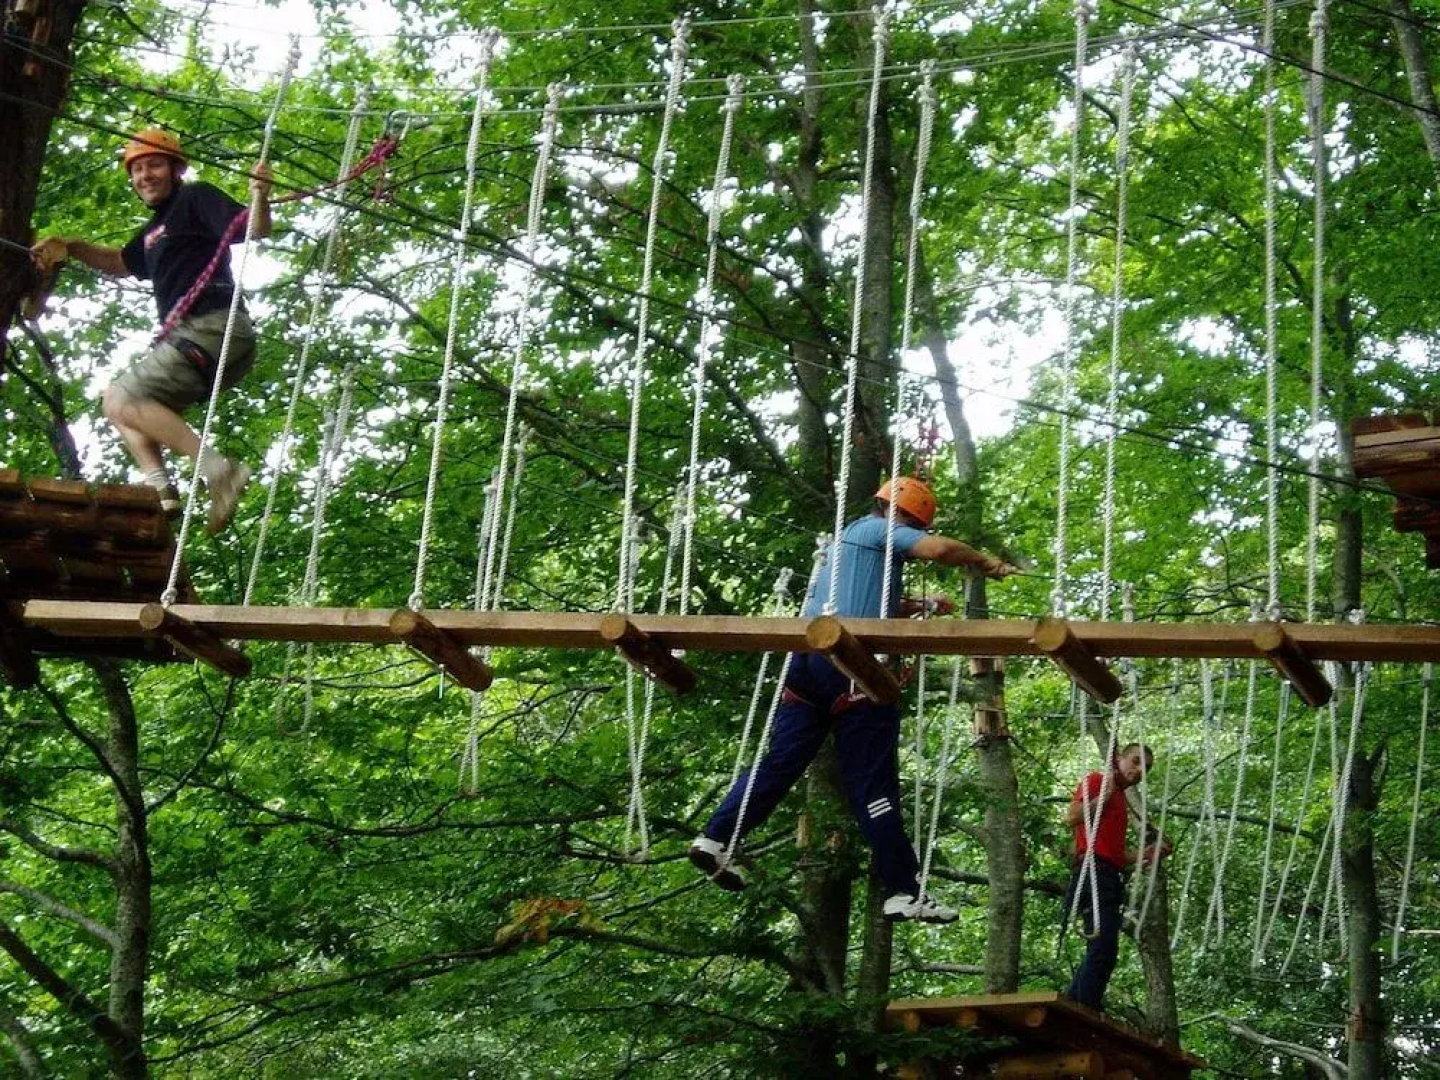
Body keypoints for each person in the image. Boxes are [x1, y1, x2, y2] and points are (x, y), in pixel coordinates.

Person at [688, 477, 1017, 923]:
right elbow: (938, 551)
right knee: (872, 788)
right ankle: (903, 890)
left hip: (807, 668)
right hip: (847, 669)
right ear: (906, 518)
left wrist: (919, 604)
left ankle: (717, 837)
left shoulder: (848, 550)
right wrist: (984, 562)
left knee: (779, 765)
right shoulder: (875, 530)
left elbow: (870, 604)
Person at [30, 128, 271, 533]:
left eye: (154, 165)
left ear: (176, 169)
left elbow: (254, 229)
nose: (145, 176)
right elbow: (120, 262)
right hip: (206, 346)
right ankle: (161, 491)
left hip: (214, 327)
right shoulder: (154, 231)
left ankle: (219, 471)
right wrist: (71, 246)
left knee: (124, 398)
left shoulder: (195, 198)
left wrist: (261, 195)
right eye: (137, 169)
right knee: (116, 400)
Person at [1061, 742, 1170, 1010]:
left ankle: (1076, 1003)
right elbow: (1071, 817)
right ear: (1119, 759)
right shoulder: (1098, 780)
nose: (1138, 770)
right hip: (1092, 871)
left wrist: (1145, 855)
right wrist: (1102, 798)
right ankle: (1083, 1008)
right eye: (1135, 761)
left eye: (1145, 768)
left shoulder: (1120, 800)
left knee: (1103, 950)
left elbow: (1114, 853)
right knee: (1103, 950)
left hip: (1107, 874)